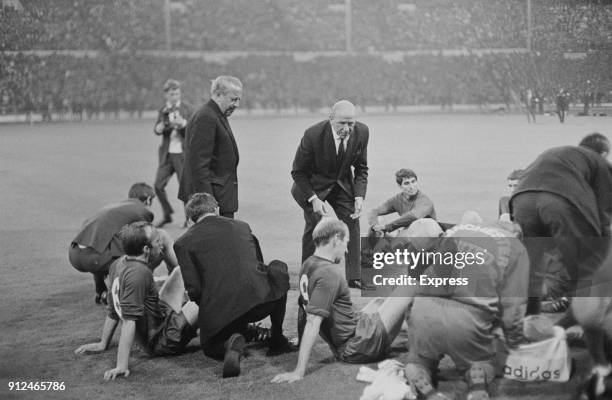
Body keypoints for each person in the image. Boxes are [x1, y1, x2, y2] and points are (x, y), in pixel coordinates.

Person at [271, 218, 415, 384]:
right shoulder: (330, 273)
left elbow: (304, 308)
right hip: (359, 346)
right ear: (336, 238)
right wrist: (299, 371)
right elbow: (312, 321)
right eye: (346, 242)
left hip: (347, 339)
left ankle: (414, 328)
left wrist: (300, 338)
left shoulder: (309, 264)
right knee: (412, 284)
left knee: (379, 302)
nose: (346, 249)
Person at [403, 218, 529, 400]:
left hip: (424, 309)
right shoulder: (516, 248)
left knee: (419, 360)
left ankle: (422, 380)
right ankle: (478, 372)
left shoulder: (457, 229)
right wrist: (516, 344)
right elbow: (513, 308)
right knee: (490, 358)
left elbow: (420, 270)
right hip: (468, 320)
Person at [174, 193, 295, 378]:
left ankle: (230, 343)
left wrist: (209, 310)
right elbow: (259, 264)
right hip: (260, 303)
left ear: (190, 219)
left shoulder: (182, 243)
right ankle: (277, 338)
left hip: (221, 313)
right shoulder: (242, 226)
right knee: (278, 270)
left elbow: (195, 289)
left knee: (210, 346)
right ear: (215, 209)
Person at [74, 222, 199, 381]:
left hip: (160, 319)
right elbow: (128, 321)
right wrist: (121, 365)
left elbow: (113, 311)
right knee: (206, 297)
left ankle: (194, 320)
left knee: (179, 271)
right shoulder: (139, 274)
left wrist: (103, 342)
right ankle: (219, 337)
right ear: (146, 250)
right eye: (157, 241)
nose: (161, 244)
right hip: (161, 339)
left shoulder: (118, 263)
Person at [510, 132, 612, 316]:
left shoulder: (559, 153)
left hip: (522, 199)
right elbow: (604, 212)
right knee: (584, 264)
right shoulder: (600, 162)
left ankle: (531, 316)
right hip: (560, 200)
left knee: (534, 262)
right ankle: (580, 317)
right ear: (604, 153)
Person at [291, 100, 369, 289]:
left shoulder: (362, 132)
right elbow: (297, 172)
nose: (347, 128)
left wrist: (359, 196)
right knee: (314, 225)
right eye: (342, 123)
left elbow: (361, 168)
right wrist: (313, 199)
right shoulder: (313, 135)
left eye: (351, 123)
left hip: (341, 184)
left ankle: (354, 276)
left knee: (353, 221)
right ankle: (307, 275)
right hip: (312, 186)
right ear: (331, 118)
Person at [69, 183, 178, 304]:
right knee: (161, 237)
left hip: (75, 254)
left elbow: (95, 242)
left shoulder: (116, 207)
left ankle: (102, 291)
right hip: (95, 258)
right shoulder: (141, 211)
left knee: (108, 245)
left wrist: (100, 284)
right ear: (148, 200)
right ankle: (177, 276)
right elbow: (151, 240)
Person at [178, 76, 242, 218]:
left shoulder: (215, 114)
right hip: (213, 201)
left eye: (238, 100)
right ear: (218, 94)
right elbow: (199, 166)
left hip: (218, 197)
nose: (237, 104)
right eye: (233, 99)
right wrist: (208, 207)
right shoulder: (206, 117)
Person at [153, 79, 192, 228]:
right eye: (172, 93)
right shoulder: (163, 110)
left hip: (182, 154)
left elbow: (193, 129)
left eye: (177, 93)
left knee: (185, 188)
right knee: (158, 185)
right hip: (167, 154)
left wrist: (182, 124)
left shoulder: (187, 108)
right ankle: (167, 214)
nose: (175, 96)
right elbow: (156, 130)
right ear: (166, 95)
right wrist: (159, 127)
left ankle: (189, 219)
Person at [367, 168, 436, 235]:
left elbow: (412, 217)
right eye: (407, 183)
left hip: (427, 238)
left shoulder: (425, 201)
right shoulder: (397, 199)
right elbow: (373, 211)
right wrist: (375, 226)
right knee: (378, 220)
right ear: (400, 186)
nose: (411, 187)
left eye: (413, 181)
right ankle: (370, 246)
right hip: (409, 235)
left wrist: (386, 227)